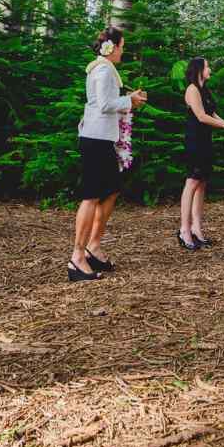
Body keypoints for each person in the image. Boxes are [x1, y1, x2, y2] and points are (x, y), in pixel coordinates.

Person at [68, 27, 147, 283]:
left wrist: (127, 101)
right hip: (94, 139)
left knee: (111, 190)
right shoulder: (102, 70)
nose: (123, 51)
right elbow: (103, 104)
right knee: (91, 196)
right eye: (122, 46)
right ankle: (77, 257)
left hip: (103, 139)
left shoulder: (105, 69)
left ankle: (94, 246)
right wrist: (129, 100)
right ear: (111, 48)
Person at [178, 56, 224, 250]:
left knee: (202, 183)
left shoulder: (204, 90)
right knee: (192, 181)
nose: (210, 69)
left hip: (205, 141)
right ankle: (184, 230)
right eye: (207, 66)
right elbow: (201, 117)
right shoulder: (192, 90)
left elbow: (211, 114)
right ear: (199, 69)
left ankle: (196, 229)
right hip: (195, 141)